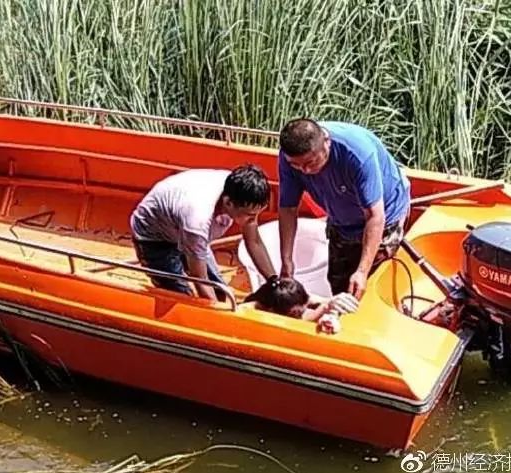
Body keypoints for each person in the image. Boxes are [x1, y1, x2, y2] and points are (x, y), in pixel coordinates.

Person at [277, 118, 411, 299]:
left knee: (369, 289)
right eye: (296, 165)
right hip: (341, 219)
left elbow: (375, 216)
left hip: (383, 215)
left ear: (326, 142)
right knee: (339, 284)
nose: (304, 171)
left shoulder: (357, 154)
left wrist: (362, 271)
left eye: (310, 162)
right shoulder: (289, 159)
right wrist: (286, 260)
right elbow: (288, 209)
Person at [130, 165, 276, 301]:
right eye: (250, 216)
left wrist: (274, 281)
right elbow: (200, 279)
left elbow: (254, 241)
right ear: (228, 203)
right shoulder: (198, 220)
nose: (253, 220)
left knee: (221, 292)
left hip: (182, 226)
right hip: (154, 238)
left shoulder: (241, 191)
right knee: (182, 298)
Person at [244, 275, 359, 332]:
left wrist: (333, 302)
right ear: (272, 310)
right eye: (296, 313)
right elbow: (300, 321)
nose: (303, 312)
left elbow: (314, 300)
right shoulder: (251, 311)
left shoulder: (291, 297)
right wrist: (325, 308)